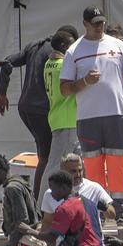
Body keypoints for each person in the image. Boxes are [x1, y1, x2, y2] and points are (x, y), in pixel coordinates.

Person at [58, 7, 123, 227]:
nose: (100, 26)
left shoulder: (118, 46)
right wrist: (85, 82)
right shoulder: (74, 51)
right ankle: (96, 212)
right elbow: (64, 89)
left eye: (102, 22)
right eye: (95, 23)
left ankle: (122, 211)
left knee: (119, 164)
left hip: (117, 114)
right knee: (92, 166)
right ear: (85, 24)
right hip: (88, 118)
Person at [0, 25, 80, 199]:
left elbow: (7, 62)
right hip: (44, 109)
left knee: (46, 156)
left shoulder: (35, 46)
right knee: (48, 158)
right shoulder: (60, 57)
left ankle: (41, 199)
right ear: (65, 42)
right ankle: (40, 201)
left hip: (26, 107)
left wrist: (2, 94)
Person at [43, 30, 80, 177]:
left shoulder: (48, 63)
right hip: (67, 118)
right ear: (64, 46)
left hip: (58, 116)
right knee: (56, 165)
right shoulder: (64, 65)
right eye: (72, 44)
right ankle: (45, 193)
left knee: (76, 164)